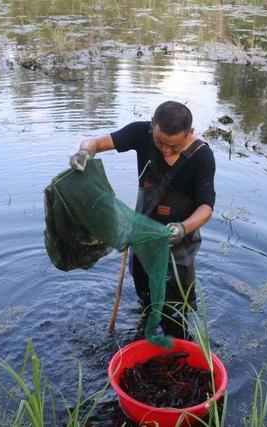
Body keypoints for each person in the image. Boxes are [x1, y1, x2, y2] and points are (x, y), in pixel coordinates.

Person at [69, 101, 216, 338]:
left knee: (175, 314)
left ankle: (176, 343)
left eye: (174, 146)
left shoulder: (202, 156)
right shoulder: (141, 133)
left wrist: (181, 228)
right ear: (152, 126)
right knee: (146, 299)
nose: (165, 150)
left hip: (178, 245)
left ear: (189, 133)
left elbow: (206, 207)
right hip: (142, 239)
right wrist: (84, 153)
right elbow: (95, 142)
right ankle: (145, 334)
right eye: (160, 143)